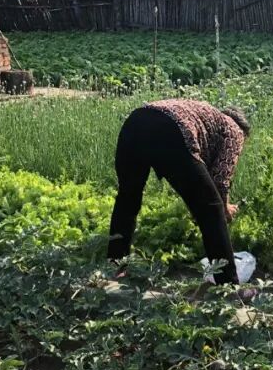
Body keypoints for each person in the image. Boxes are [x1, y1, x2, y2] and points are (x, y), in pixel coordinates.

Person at [108, 99, 251, 284]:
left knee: (128, 198)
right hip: (170, 129)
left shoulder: (207, 118)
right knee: (212, 209)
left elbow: (198, 181)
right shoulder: (234, 130)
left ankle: (115, 265)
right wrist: (224, 208)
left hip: (135, 122)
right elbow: (221, 180)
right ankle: (228, 285)